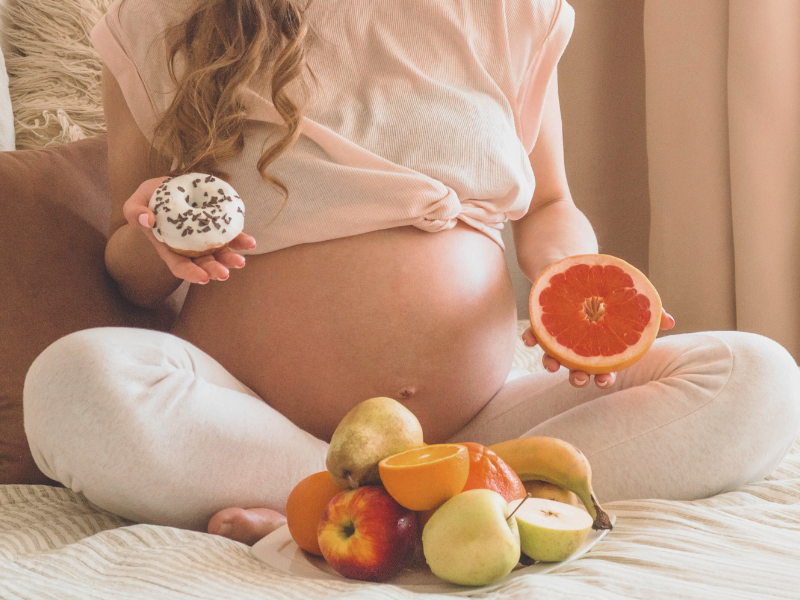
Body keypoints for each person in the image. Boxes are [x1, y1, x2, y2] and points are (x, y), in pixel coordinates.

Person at [23, 0, 800, 547]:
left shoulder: (510, 11)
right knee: (71, 380)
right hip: (259, 418)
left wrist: (570, 274)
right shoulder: (156, 22)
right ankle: (424, 510)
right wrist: (152, 239)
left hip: (485, 419)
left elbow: (552, 203)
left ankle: (350, 514)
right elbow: (130, 273)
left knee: (757, 378)